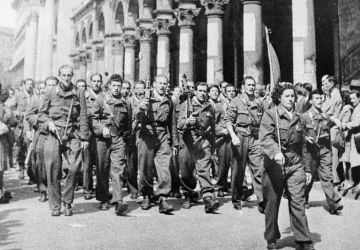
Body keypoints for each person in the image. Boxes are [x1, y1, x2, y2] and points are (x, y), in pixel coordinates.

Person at [260, 83, 314, 250]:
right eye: (287, 96)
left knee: (298, 202)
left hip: (295, 165)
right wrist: (276, 152)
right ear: (279, 98)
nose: (291, 99)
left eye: (292, 96)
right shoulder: (271, 115)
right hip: (274, 165)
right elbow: (265, 138)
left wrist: (306, 168)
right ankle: (272, 238)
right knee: (272, 204)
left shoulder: (298, 117)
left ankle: (303, 239)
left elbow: (302, 145)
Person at [39, 65, 89, 216]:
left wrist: (84, 137)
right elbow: (41, 114)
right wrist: (49, 123)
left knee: (74, 167)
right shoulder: (50, 92)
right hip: (54, 134)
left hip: (72, 133)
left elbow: (83, 116)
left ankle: (67, 201)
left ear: (72, 76)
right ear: (59, 76)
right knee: (53, 169)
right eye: (64, 75)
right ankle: (55, 205)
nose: (66, 78)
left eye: (69, 75)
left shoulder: (78, 92)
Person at [135, 75, 178, 214]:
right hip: (146, 134)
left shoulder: (169, 101)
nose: (162, 86)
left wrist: (175, 142)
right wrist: (141, 108)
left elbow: (172, 123)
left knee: (164, 167)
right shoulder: (145, 98)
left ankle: (163, 198)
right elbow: (137, 116)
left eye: (164, 83)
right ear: (154, 84)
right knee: (145, 168)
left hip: (162, 135)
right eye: (159, 83)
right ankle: (147, 195)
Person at [91, 75, 131, 215]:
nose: (116, 88)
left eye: (119, 86)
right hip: (103, 140)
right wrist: (102, 129)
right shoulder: (101, 99)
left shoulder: (125, 102)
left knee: (118, 169)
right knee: (102, 168)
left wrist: (126, 138)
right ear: (109, 86)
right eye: (114, 85)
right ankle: (103, 198)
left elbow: (128, 123)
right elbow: (93, 119)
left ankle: (118, 201)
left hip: (118, 139)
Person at [178, 82, 220, 213]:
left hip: (203, 142)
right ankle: (188, 194)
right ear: (195, 91)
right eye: (200, 91)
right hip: (189, 141)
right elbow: (179, 123)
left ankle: (208, 198)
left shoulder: (210, 106)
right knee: (186, 170)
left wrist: (212, 145)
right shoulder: (187, 105)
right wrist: (187, 122)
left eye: (204, 91)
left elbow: (213, 126)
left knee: (204, 170)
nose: (202, 93)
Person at [224, 76, 264, 211]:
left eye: (253, 85)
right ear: (243, 87)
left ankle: (262, 200)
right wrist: (233, 136)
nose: (252, 87)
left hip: (255, 137)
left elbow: (264, 120)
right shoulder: (236, 102)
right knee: (238, 170)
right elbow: (228, 120)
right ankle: (236, 198)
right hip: (240, 136)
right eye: (249, 85)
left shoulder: (259, 102)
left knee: (258, 168)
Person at [302, 90, 343, 214]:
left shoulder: (325, 115)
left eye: (321, 98)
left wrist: (336, 121)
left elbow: (328, 124)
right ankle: (303, 198)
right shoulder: (304, 116)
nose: (320, 100)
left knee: (327, 176)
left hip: (324, 149)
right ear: (311, 101)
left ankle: (333, 204)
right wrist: (305, 138)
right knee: (309, 178)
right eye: (316, 98)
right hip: (311, 151)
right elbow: (298, 132)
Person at [9, 78, 37, 181]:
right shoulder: (18, 96)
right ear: (24, 85)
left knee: (31, 147)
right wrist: (18, 114)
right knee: (20, 148)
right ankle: (21, 169)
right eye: (28, 84)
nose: (30, 86)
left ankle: (31, 173)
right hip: (20, 126)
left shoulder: (35, 96)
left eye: (31, 84)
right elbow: (10, 107)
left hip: (32, 126)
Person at [216, 84, 236, 198]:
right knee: (223, 164)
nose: (231, 93)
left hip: (235, 137)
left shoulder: (238, 104)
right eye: (229, 91)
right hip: (223, 139)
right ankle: (220, 186)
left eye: (233, 91)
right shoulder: (219, 106)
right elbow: (213, 123)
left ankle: (234, 187)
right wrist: (220, 130)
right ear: (224, 92)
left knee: (236, 163)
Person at [321, 75, 343, 185]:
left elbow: (336, 116)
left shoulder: (336, 97)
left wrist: (326, 120)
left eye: (326, 84)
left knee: (334, 154)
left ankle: (336, 178)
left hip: (333, 128)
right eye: (323, 84)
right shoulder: (328, 96)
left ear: (332, 84)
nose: (324, 86)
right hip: (328, 128)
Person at [342, 91, 360, 198]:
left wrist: (346, 125)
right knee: (356, 161)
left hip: (358, 137)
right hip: (355, 137)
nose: (351, 100)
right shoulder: (356, 108)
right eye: (351, 98)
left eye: (353, 98)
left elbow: (357, 123)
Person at [0, 88, 16, 204]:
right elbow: (11, 121)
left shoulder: (5, 108)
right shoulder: (5, 108)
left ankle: (1, 191)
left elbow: (11, 121)